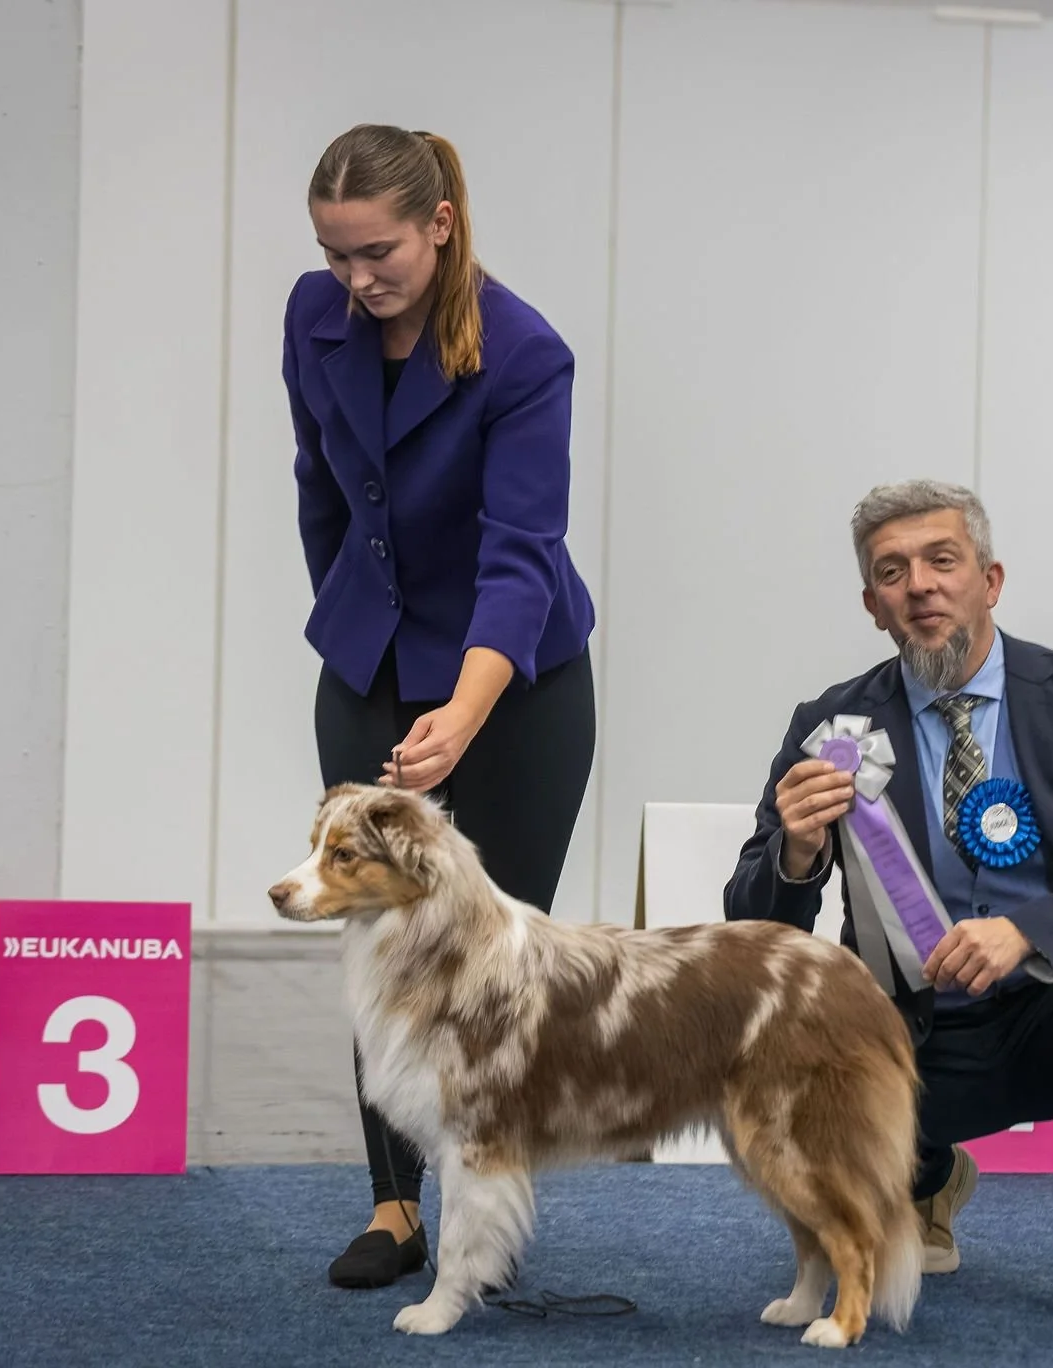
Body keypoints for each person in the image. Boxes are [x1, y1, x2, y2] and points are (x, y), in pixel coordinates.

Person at [723, 479, 1053, 1322]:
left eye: (941, 561)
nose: (919, 584)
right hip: (905, 1040)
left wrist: (1026, 931)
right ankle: (920, 1177)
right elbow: (751, 925)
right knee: (782, 1029)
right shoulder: (831, 723)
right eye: (892, 571)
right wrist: (798, 851)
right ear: (873, 606)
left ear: (989, 581)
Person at [280, 124, 597, 1289]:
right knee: (374, 933)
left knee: (484, 961)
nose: (356, 281)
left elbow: (520, 556)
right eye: (333, 254)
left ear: (439, 225)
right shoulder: (313, 320)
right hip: (370, 656)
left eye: (378, 254)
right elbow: (319, 488)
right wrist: (353, 620)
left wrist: (462, 711)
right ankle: (391, 1207)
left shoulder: (523, 353)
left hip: (517, 677)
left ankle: (484, 1208)